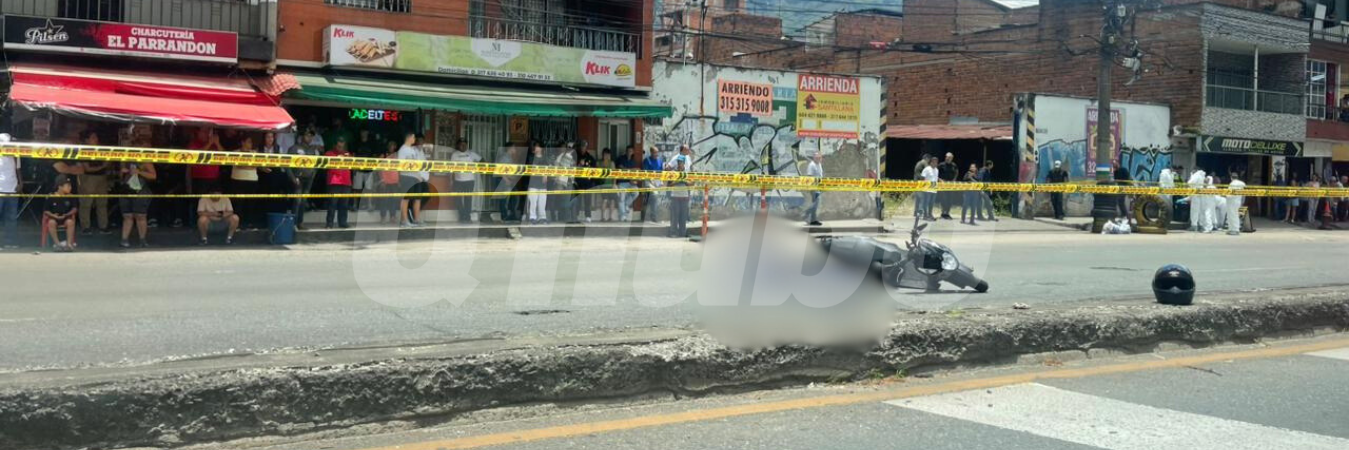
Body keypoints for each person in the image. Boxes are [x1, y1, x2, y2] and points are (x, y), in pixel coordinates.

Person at [75, 130, 112, 234]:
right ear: (86, 140)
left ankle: (103, 226)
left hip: (102, 178)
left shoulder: (101, 150)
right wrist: (103, 166)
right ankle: (85, 227)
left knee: (102, 203)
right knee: (86, 203)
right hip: (88, 178)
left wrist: (105, 165)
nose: (96, 139)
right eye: (93, 137)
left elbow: (108, 161)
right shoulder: (83, 151)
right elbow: (87, 168)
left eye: (96, 137)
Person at [285, 128, 322, 230]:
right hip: (297, 178)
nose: (309, 137)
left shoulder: (313, 149)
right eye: (307, 135)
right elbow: (286, 165)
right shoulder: (294, 148)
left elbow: (318, 163)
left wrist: (314, 173)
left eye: (311, 136)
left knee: (304, 201)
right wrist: (292, 177)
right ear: (301, 137)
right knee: (297, 200)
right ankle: (292, 224)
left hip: (308, 178)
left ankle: (300, 223)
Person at [117, 161, 156, 248]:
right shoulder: (125, 160)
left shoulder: (145, 161)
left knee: (140, 215)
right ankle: (124, 239)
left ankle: (142, 240)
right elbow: (120, 177)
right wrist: (122, 172)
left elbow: (153, 176)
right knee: (127, 216)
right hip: (126, 190)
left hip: (141, 191)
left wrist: (139, 172)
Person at [395, 134, 429, 228]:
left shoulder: (412, 150)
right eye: (414, 138)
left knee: (418, 198)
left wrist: (418, 175)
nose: (415, 140)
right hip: (406, 176)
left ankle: (416, 219)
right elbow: (400, 165)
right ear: (409, 137)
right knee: (406, 199)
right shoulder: (403, 149)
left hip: (416, 177)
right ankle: (404, 220)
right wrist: (399, 178)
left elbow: (416, 164)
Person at [230, 136, 263, 231]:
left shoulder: (254, 153)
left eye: (251, 143)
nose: (250, 144)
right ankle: (237, 224)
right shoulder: (235, 153)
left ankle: (249, 224)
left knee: (251, 203)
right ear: (242, 142)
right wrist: (250, 165)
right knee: (238, 203)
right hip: (238, 180)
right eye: (248, 142)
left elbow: (258, 165)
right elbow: (239, 165)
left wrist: (252, 165)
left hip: (252, 181)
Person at [449, 138, 483, 224]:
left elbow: (482, 160)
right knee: (457, 199)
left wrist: (480, 169)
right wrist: (451, 180)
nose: (463, 146)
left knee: (468, 199)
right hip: (458, 181)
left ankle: (467, 217)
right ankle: (462, 215)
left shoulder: (471, 154)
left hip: (469, 180)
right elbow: (451, 169)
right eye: (461, 144)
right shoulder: (454, 155)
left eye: (465, 144)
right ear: (458, 145)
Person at [325, 137, 353, 229]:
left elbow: (352, 166)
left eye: (342, 143)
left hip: (346, 182)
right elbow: (327, 166)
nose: (340, 145)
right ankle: (329, 223)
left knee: (344, 204)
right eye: (339, 143)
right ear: (335, 144)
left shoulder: (348, 154)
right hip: (334, 182)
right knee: (332, 203)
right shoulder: (329, 154)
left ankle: (343, 222)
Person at [45, 175, 78, 252]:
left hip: (66, 217)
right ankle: (57, 244)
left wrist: (67, 214)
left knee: (70, 222)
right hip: (54, 217)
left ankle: (69, 244)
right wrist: (53, 216)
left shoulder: (71, 196)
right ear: (60, 186)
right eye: (68, 186)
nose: (70, 188)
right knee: (51, 223)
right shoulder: (51, 196)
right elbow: (46, 210)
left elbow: (74, 209)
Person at [0, 133, 20, 250]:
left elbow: (18, 169)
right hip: (0, 190)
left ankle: (10, 241)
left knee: (12, 218)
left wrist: (20, 182)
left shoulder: (16, 154)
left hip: (12, 189)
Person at [495, 144, 524, 223]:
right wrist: (506, 179)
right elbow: (500, 169)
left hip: (508, 180)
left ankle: (510, 215)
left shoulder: (509, 157)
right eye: (514, 148)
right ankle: (504, 216)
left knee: (513, 197)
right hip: (504, 180)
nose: (515, 149)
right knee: (504, 199)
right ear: (510, 148)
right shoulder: (504, 157)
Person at [377, 141, 402, 224]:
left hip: (394, 181)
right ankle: (383, 217)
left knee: (394, 200)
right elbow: (379, 169)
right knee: (384, 200)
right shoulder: (383, 155)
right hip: (385, 181)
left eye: (394, 145)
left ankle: (393, 217)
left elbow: (398, 169)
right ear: (388, 146)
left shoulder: (397, 156)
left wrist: (399, 180)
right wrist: (382, 180)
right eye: (391, 145)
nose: (392, 147)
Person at [526, 142, 549, 224]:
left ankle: (542, 217)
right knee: (533, 201)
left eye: (537, 147)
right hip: (533, 183)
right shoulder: (531, 158)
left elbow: (548, 169)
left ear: (541, 148)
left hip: (542, 184)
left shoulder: (545, 158)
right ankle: (532, 217)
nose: (536, 148)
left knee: (542, 201)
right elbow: (529, 168)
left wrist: (545, 175)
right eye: (535, 146)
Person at [554, 142, 577, 224]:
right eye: (568, 147)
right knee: (564, 201)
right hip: (562, 183)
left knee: (572, 201)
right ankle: (566, 219)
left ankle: (572, 218)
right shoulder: (560, 157)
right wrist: (557, 181)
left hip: (570, 182)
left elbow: (573, 170)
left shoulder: (571, 158)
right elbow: (556, 169)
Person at [668, 158, 691, 238]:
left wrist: (684, 181)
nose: (679, 165)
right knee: (674, 216)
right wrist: (677, 181)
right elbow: (669, 185)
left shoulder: (687, 173)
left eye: (681, 163)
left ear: (684, 164)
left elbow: (691, 184)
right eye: (678, 163)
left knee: (683, 216)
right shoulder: (673, 173)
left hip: (684, 197)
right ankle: (673, 232)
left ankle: (682, 233)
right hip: (675, 197)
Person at [575, 141, 597, 223]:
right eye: (581, 146)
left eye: (584, 146)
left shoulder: (590, 158)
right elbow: (572, 169)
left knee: (588, 200)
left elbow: (595, 170)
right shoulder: (576, 156)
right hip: (578, 181)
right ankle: (576, 215)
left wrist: (592, 181)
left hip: (588, 182)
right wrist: (580, 165)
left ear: (586, 147)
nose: (582, 148)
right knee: (578, 200)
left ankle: (588, 216)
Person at [616, 145, 639, 222]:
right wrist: (632, 170)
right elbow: (621, 169)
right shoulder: (620, 159)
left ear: (633, 152)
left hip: (630, 182)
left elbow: (635, 172)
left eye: (631, 151)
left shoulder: (633, 161)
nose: (629, 152)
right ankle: (623, 216)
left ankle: (626, 204)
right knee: (621, 197)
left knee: (636, 192)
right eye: (628, 151)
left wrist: (634, 180)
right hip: (622, 182)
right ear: (626, 151)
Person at [642, 147, 664, 222]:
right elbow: (645, 173)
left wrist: (661, 182)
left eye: (657, 152)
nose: (656, 154)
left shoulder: (660, 161)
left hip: (657, 181)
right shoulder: (647, 161)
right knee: (654, 195)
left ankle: (656, 213)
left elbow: (661, 172)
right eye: (655, 152)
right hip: (649, 181)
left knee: (660, 196)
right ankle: (653, 215)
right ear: (651, 152)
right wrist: (652, 181)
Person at [597, 148, 618, 221]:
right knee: (605, 200)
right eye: (605, 154)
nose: (606, 156)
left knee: (612, 200)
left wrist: (614, 184)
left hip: (611, 184)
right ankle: (602, 217)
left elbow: (614, 175)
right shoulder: (599, 163)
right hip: (603, 185)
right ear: (602, 155)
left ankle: (610, 217)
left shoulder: (612, 163)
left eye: (608, 155)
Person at [804, 152, 824, 226]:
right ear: (814, 158)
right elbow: (809, 176)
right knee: (816, 203)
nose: (818, 159)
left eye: (819, 158)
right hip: (813, 187)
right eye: (817, 158)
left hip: (818, 187)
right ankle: (806, 213)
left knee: (816, 203)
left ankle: (813, 220)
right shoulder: (812, 165)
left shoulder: (819, 164)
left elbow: (820, 175)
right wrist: (810, 187)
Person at [937, 152, 958, 220]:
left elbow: (956, 172)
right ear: (945, 157)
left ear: (952, 158)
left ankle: (947, 213)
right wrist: (940, 180)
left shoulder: (954, 165)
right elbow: (935, 173)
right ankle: (943, 214)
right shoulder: (941, 165)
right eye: (947, 157)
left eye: (950, 157)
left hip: (950, 184)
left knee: (950, 199)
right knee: (943, 199)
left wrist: (954, 179)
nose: (948, 158)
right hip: (942, 184)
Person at [919, 157, 940, 221]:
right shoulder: (927, 169)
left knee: (931, 203)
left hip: (934, 189)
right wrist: (923, 187)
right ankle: (925, 216)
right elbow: (922, 178)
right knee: (926, 203)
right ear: (930, 162)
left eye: (936, 162)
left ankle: (930, 215)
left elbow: (935, 178)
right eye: (933, 162)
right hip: (927, 189)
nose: (935, 163)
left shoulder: (937, 170)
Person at [1226, 171, 1246, 236]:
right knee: (1236, 215)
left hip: (1231, 202)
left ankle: (1234, 229)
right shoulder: (1241, 183)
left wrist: (1224, 195)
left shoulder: (1232, 184)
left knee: (1232, 216)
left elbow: (1229, 194)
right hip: (1238, 201)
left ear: (1231, 177)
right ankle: (1232, 229)